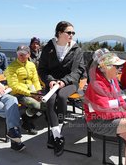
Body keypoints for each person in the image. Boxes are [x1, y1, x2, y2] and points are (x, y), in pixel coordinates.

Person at [38, 21, 85, 156]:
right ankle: (58, 137)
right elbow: (42, 69)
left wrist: (64, 81)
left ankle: (56, 132)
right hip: (52, 83)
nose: (71, 35)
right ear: (59, 33)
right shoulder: (48, 48)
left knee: (62, 96)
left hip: (70, 82)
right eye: (68, 32)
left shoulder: (76, 49)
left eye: (73, 33)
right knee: (51, 100)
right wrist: (51, 80)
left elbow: (78, 70)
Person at [4, 45, 42, 135]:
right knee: (36, 106)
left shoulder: (31, 65)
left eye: (24, 54)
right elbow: (14, 86)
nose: (21, 56)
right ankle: (28, 122)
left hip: (31, 91)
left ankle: (26, 121)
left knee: (45, 105)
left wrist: (38, 92)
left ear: (28, 54)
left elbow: (35, 80)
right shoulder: (12, 67)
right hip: (18, 93)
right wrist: (31, 94)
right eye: (19, 54)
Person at [0, 70, 25, 151]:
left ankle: (13, 133)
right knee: (11, 111)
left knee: (12, 99)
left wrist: (0, 88)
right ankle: (15, 140)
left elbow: (0, 85)